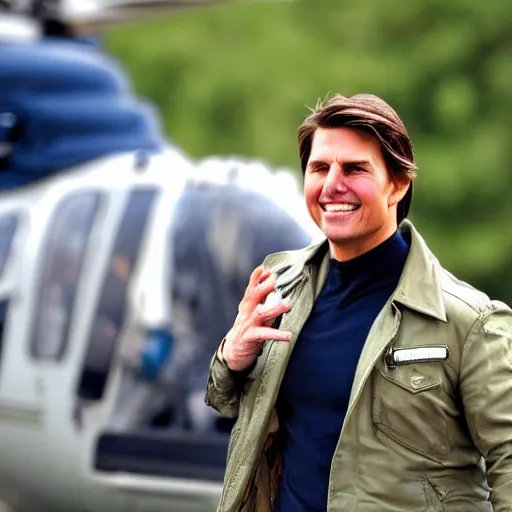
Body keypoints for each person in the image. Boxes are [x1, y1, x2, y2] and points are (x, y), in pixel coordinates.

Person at [205, 93, 512, 512]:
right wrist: (232, 357)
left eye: (354, 169)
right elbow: (228, 403)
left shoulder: (470, 321)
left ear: (398, 184)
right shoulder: (279, 288)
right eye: (319, 168)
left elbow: (507, 458)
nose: (333, 184)